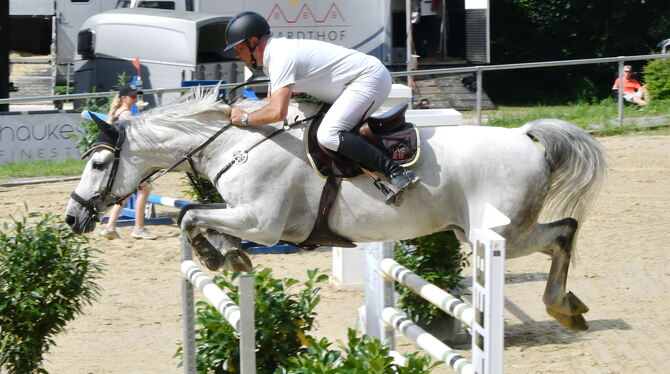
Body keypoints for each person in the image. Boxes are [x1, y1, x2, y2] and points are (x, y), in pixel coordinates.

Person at [224, 11, 420, 205]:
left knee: (329, 135)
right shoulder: (273, 58)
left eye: (238, 48)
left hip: (368, 80)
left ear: (253, 41)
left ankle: (397, 172)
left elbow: (276, 112)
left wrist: (244, 119)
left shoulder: (279, 56)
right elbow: (271, 101)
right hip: (351, 84)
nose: (236, 54)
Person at [99, 85, 157, 240]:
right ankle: (138, 228)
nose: (135, 99)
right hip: (131, 161)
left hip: (124, 160)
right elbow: (136, 136)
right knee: (143, 192)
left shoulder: (118, 113)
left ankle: (110, 227)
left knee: (126, 196)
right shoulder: (126, 114)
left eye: (136, 96)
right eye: (132, 97)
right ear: (124, 98)